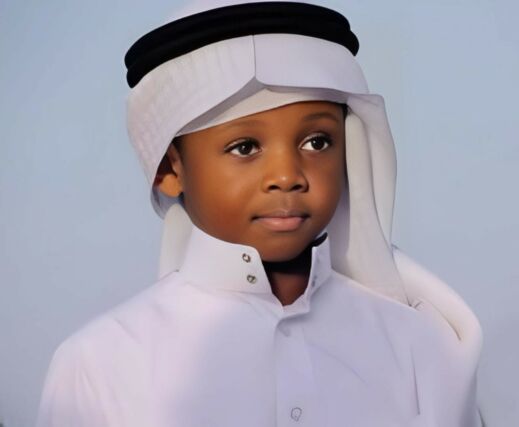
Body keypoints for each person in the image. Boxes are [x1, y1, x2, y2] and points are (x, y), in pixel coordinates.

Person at [36, 1, 484, 426]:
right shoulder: (98, 365)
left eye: (317, 142)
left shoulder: (416, 345)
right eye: (245, 147)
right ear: (170, 171)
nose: (287, 176)